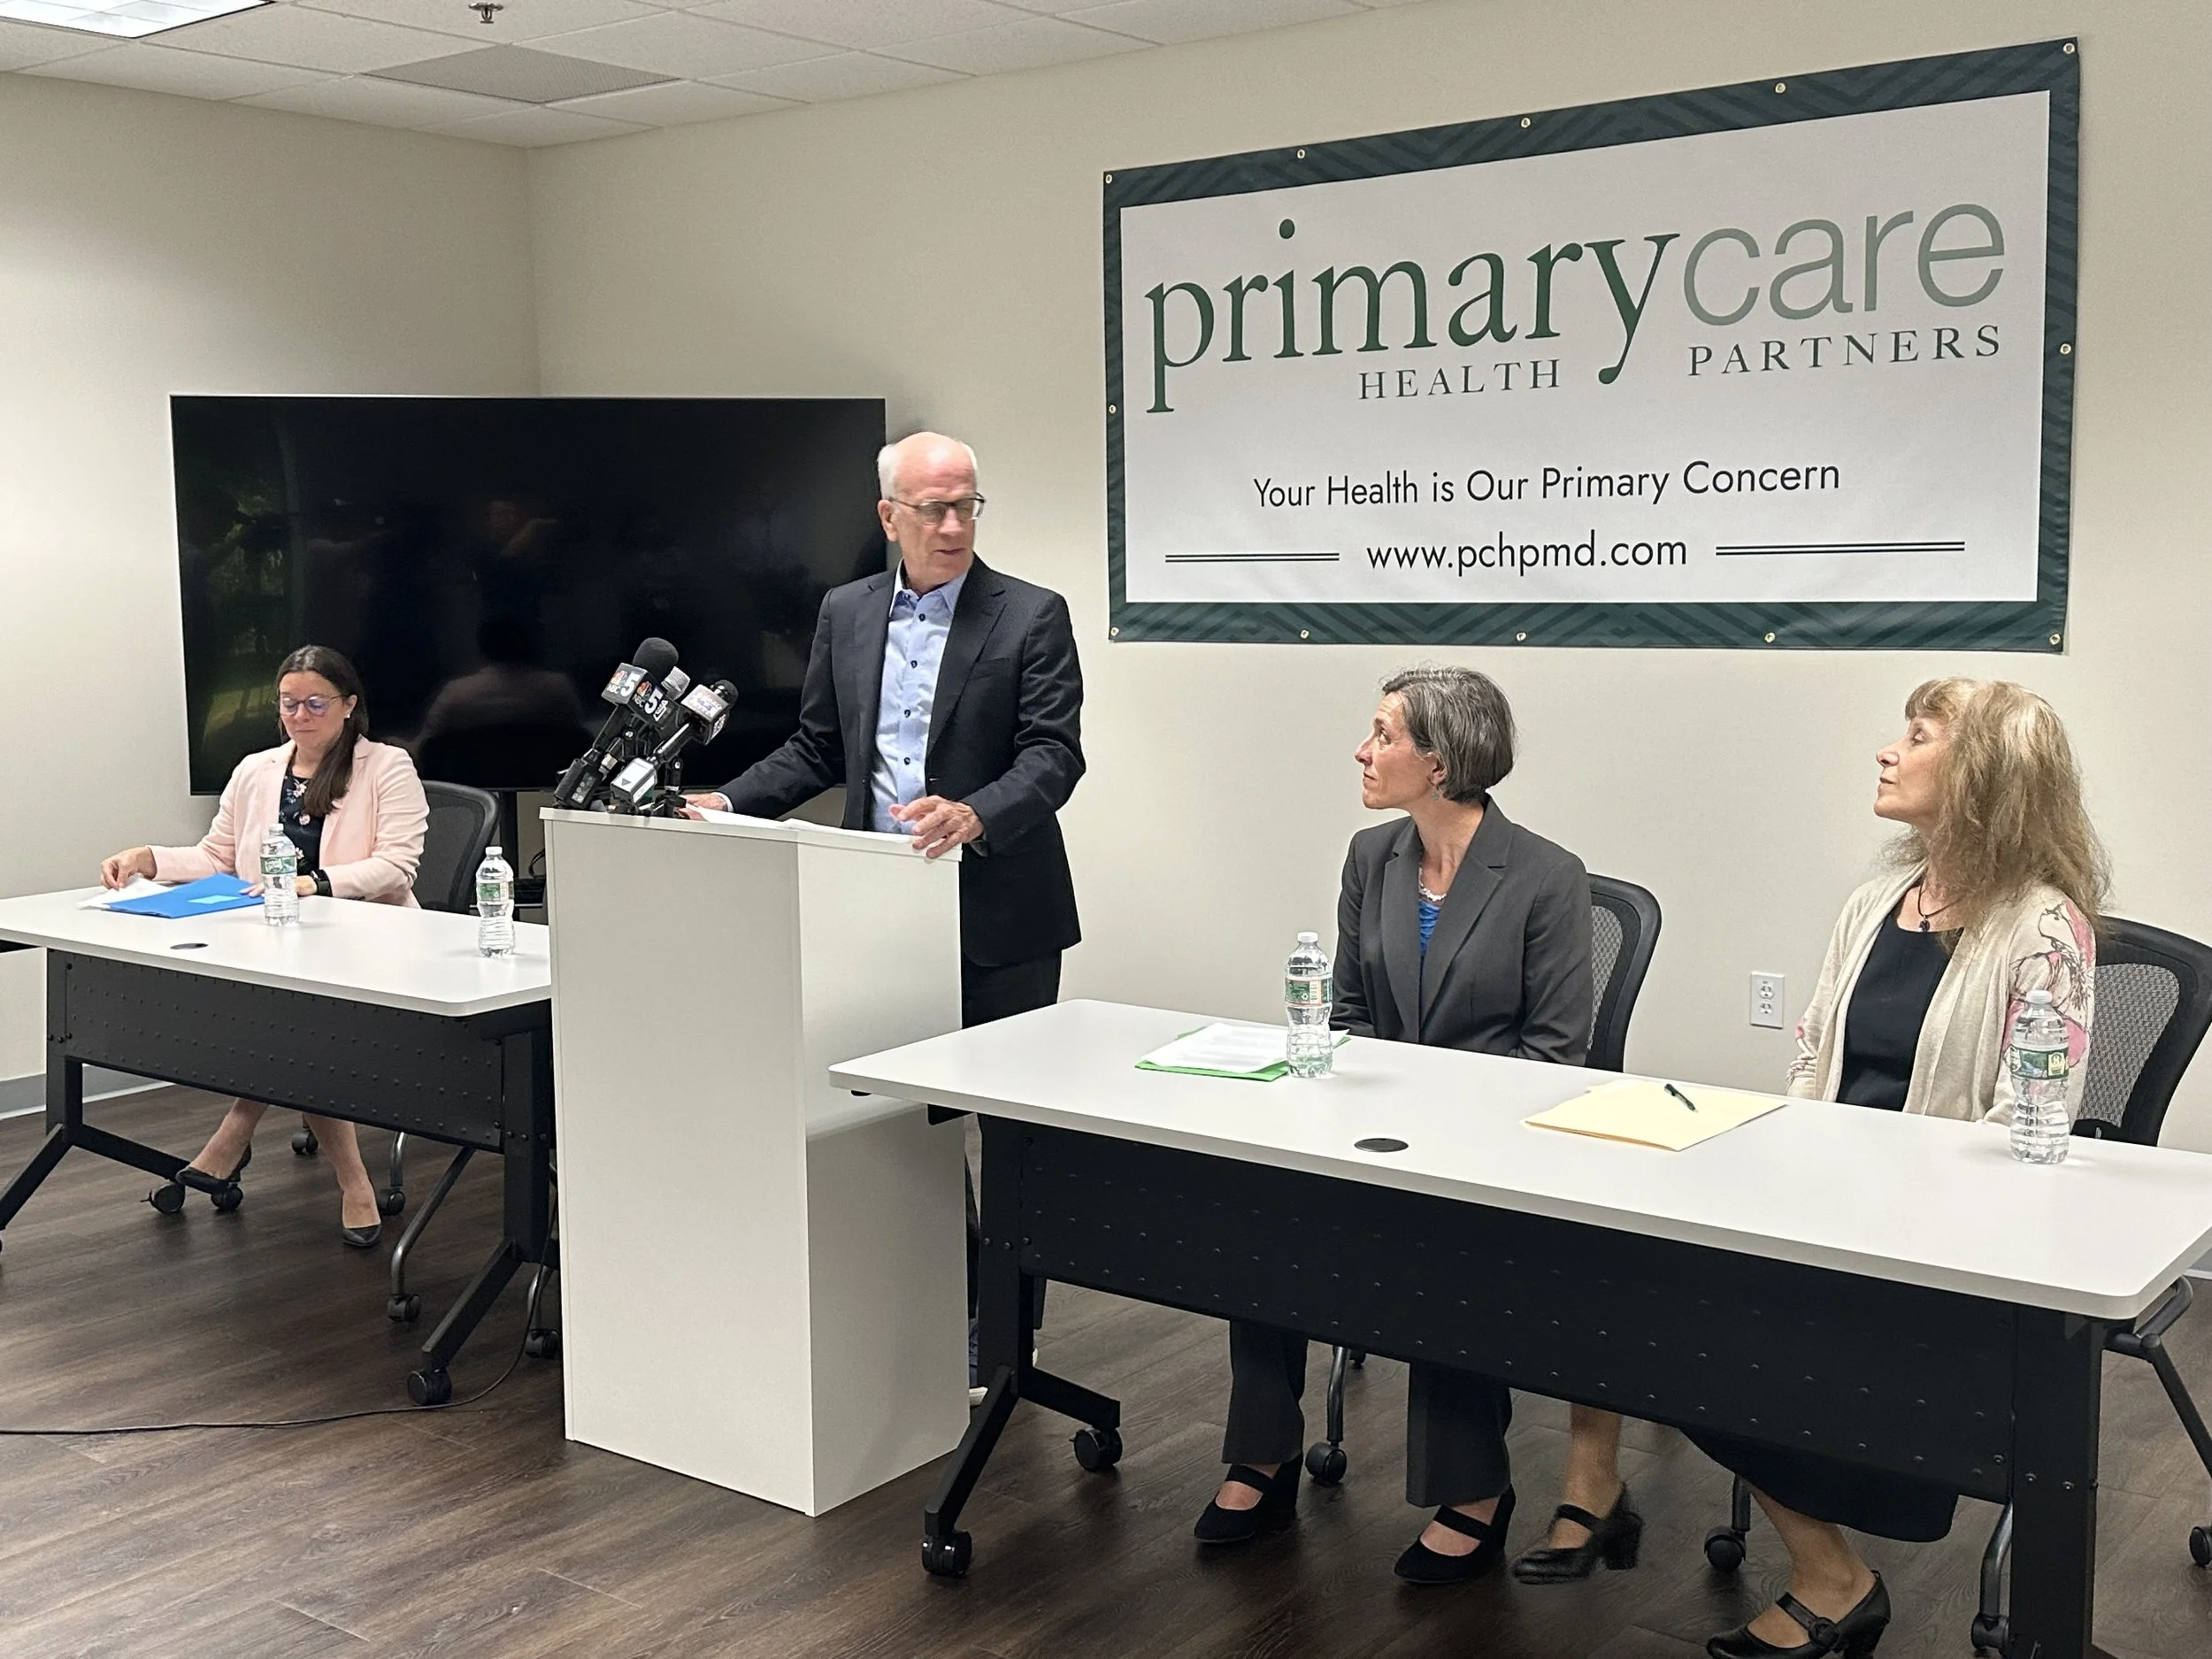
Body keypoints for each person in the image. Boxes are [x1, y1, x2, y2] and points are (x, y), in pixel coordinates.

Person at [1690, 677, 2102, 1659]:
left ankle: (1832, 1578)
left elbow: (2027, 1126)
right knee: (1674, 1321)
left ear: (1981, 776)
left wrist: (1884, 1209)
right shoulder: (1876, 900)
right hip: (1826, 1213)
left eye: (1914, 737)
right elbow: (1809, 1064)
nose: (1886, 751)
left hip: (1939, 1241)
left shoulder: (2044, 932)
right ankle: (1831, 1572)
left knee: (1740, 1344)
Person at [686, 431, 1085, 1392]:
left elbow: (1053, 756)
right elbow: (821, 748)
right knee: (903, 1125)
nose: (953, 526)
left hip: (1000, 913)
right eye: (933, 509)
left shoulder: (1031, 615)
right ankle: (944, 1304)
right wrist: (728, 800)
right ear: (888, 516)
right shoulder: (848, 612)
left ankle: (1007, 1338)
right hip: (875, 913)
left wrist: (975, 813)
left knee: (1007, 1134)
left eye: (967, 506)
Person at [1195, 667, 1594, 1587]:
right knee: (1265, 1204)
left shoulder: (1546, 877)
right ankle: (1263, 1455)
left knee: (1446, 1240)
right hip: (1371, 1126)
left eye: (1381, 733)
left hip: (1486, 1148)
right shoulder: (1369, 856)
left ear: (1441, 761)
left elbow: (1554, 1056)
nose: (1361, 750)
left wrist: (1430, 1117)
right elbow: (1346, 1013)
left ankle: (1474, 1492)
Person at [99, 645, 430, 1247]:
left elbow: (397, 866)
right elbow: (217, 857)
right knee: (290, 1019)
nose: (300, 715)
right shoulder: (257, 770)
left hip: (371, 945)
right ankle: (249, 1139)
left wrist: (317, 883)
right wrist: (150, 858)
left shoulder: (386, 767)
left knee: (301, 1024)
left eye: (315, 703)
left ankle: (291, 1155)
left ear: (349, 705)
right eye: (289, 703)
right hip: (278, 942)